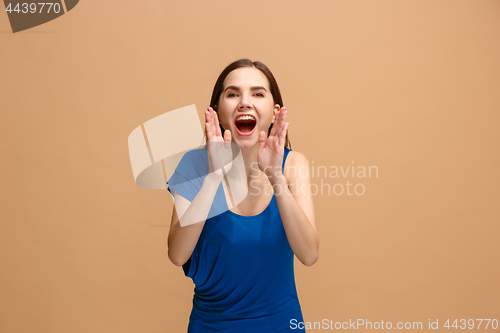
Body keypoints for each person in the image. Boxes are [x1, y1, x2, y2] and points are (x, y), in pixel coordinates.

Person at [166, 59, 319, 332]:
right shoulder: (193, 166)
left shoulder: (294, 164)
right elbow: (178, 254)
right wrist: (212, 179)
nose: (245, 102)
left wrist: (276, 178)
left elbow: (309, 255)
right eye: (233, 93)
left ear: (273, 113)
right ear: (217, 111)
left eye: (257, 93)